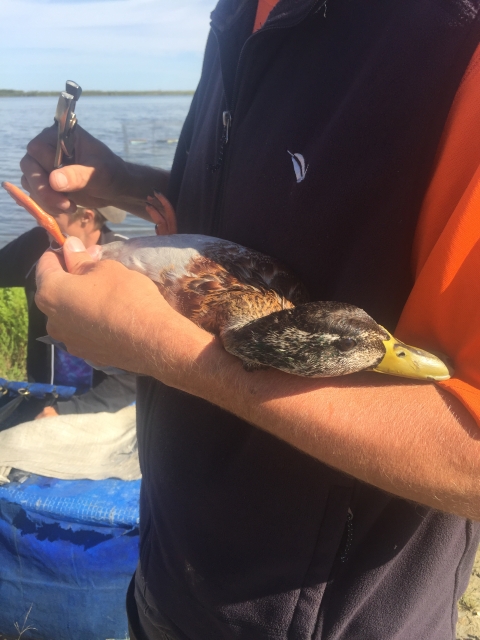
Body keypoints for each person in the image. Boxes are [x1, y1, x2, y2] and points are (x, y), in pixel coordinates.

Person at [18, 0, 480, 638]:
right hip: (171, 567)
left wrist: (154, 344)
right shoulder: (239, 14)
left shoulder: (459, 42)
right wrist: (126, 183)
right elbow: (278, 214)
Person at [0, 205, 136, 424]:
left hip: (100, 408)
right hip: (43, 395)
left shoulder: (127, 262)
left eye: (51, 213)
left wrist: (68, 411)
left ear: (86, 217)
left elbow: (135, 375)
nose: (40, 220)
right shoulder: (37, 245)